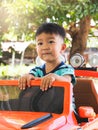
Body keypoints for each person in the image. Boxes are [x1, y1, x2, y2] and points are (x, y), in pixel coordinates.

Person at [18, 22, 76, 110]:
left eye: (51, 42)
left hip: (64, 112)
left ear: (62, 48)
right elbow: (30, 77)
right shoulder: (37, 70)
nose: (45, 47)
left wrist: (54, 77)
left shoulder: (66, 69)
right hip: (41, 110)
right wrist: (26, 77)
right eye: (40, 43)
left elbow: (67, 81)